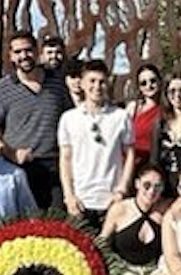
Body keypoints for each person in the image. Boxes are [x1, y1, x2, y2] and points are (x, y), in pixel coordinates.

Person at [0, 30, 71, 209]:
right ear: (10, 56)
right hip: (19, 167)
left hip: (55, 167)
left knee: (55, 227)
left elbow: (70, 121)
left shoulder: (58, 83)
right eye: (17, 52)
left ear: (37, 51)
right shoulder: (2, 89)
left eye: (28, 50)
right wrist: (11, 154)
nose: (24, 56)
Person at [101, 165, 175, 275]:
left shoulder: (165, 212)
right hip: (124, 271)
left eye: (158, 187)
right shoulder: (120, 209)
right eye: (147, 185)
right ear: (136, 184)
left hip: (151, 273)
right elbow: (102, 241)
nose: (151, 191)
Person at [57, 59, 133, 230]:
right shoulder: (69, 118)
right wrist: (69, 195)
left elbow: (129, 154)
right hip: (81, 201)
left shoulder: (121, 117)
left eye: (102, 81)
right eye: (92, 81)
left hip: (111, 200)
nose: (97, 86)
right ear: (82, 84)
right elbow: (65, 159)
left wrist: (122, 189)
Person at [125, 63, 164, 171]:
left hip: (155, 165)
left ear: (159, 81)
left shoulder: (166, 110)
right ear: (139, 87)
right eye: (143, 83)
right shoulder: (133, 108)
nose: (149, 86)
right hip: (133, 164)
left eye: (153, 81)